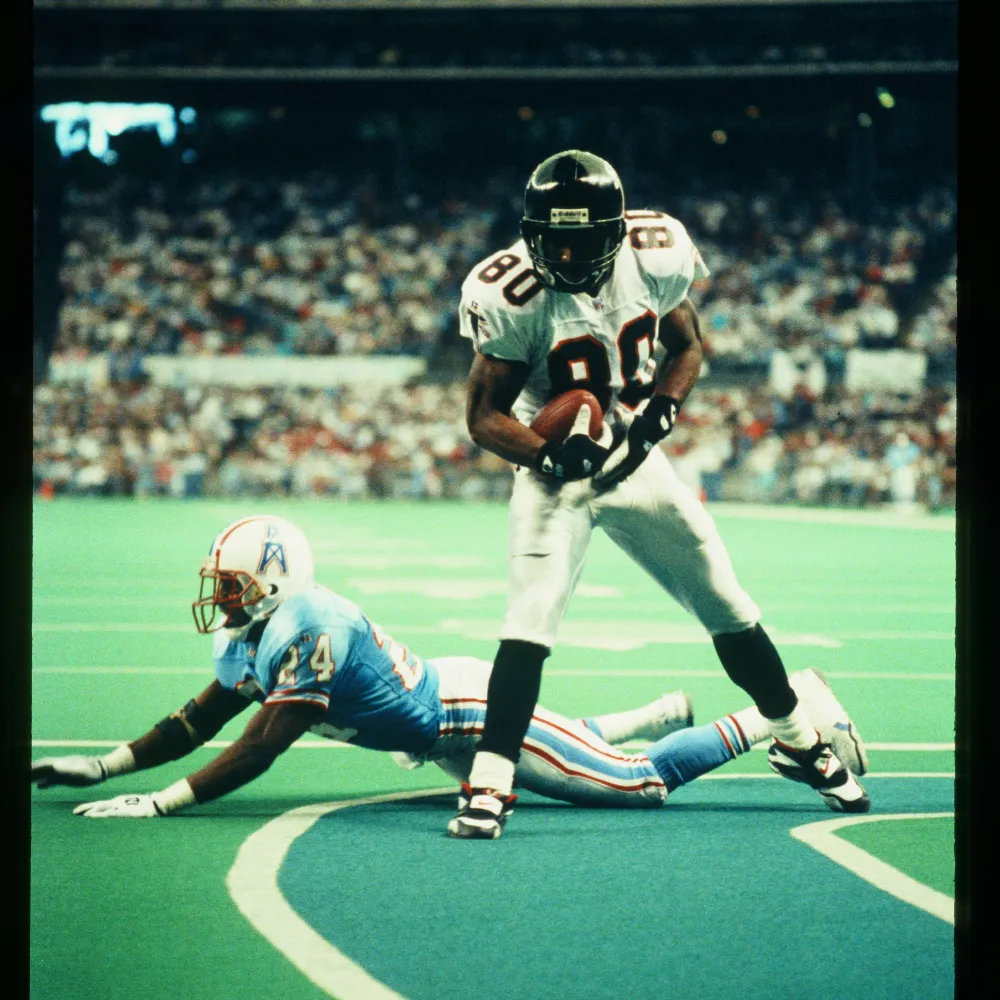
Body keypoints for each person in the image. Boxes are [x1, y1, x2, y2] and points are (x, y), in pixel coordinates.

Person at [452, 149, 870, 838]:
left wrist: (661, 412)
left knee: (726, 600)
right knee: (530, 617)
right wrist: (549, 450)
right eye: (550, 236)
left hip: (628, 451)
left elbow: (688, 346)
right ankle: (492, 780)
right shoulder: (508, 293)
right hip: (553, 470)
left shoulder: (656, 253)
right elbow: (483, 418)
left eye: (579, 238)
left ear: (615, 232)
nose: (562, 251)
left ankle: (799, 739)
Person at [30, 515, 868, 825]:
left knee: (636, 787)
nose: (222, 598)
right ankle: (649, 710)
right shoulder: (268, 626)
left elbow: (258, 747)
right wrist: (106, 765)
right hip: (438, 722)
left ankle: (782, 710)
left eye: (235, 584)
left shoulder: (306, 625)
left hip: (462, 714)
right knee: (574, 751)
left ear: (278, 579)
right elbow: (197, 719)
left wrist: (164, 804)